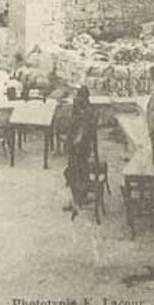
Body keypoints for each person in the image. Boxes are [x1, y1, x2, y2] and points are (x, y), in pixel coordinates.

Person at [63, 86, 98, 219]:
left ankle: (79, 198)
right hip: (78, 148)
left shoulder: (87, 112)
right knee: (72, 171)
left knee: (73, 172)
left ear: (84, 98)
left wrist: (73, 144)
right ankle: (77, 197)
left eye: (78, 97)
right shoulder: (80, 109)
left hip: (81, 149)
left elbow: (82, 133)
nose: (76, 99)